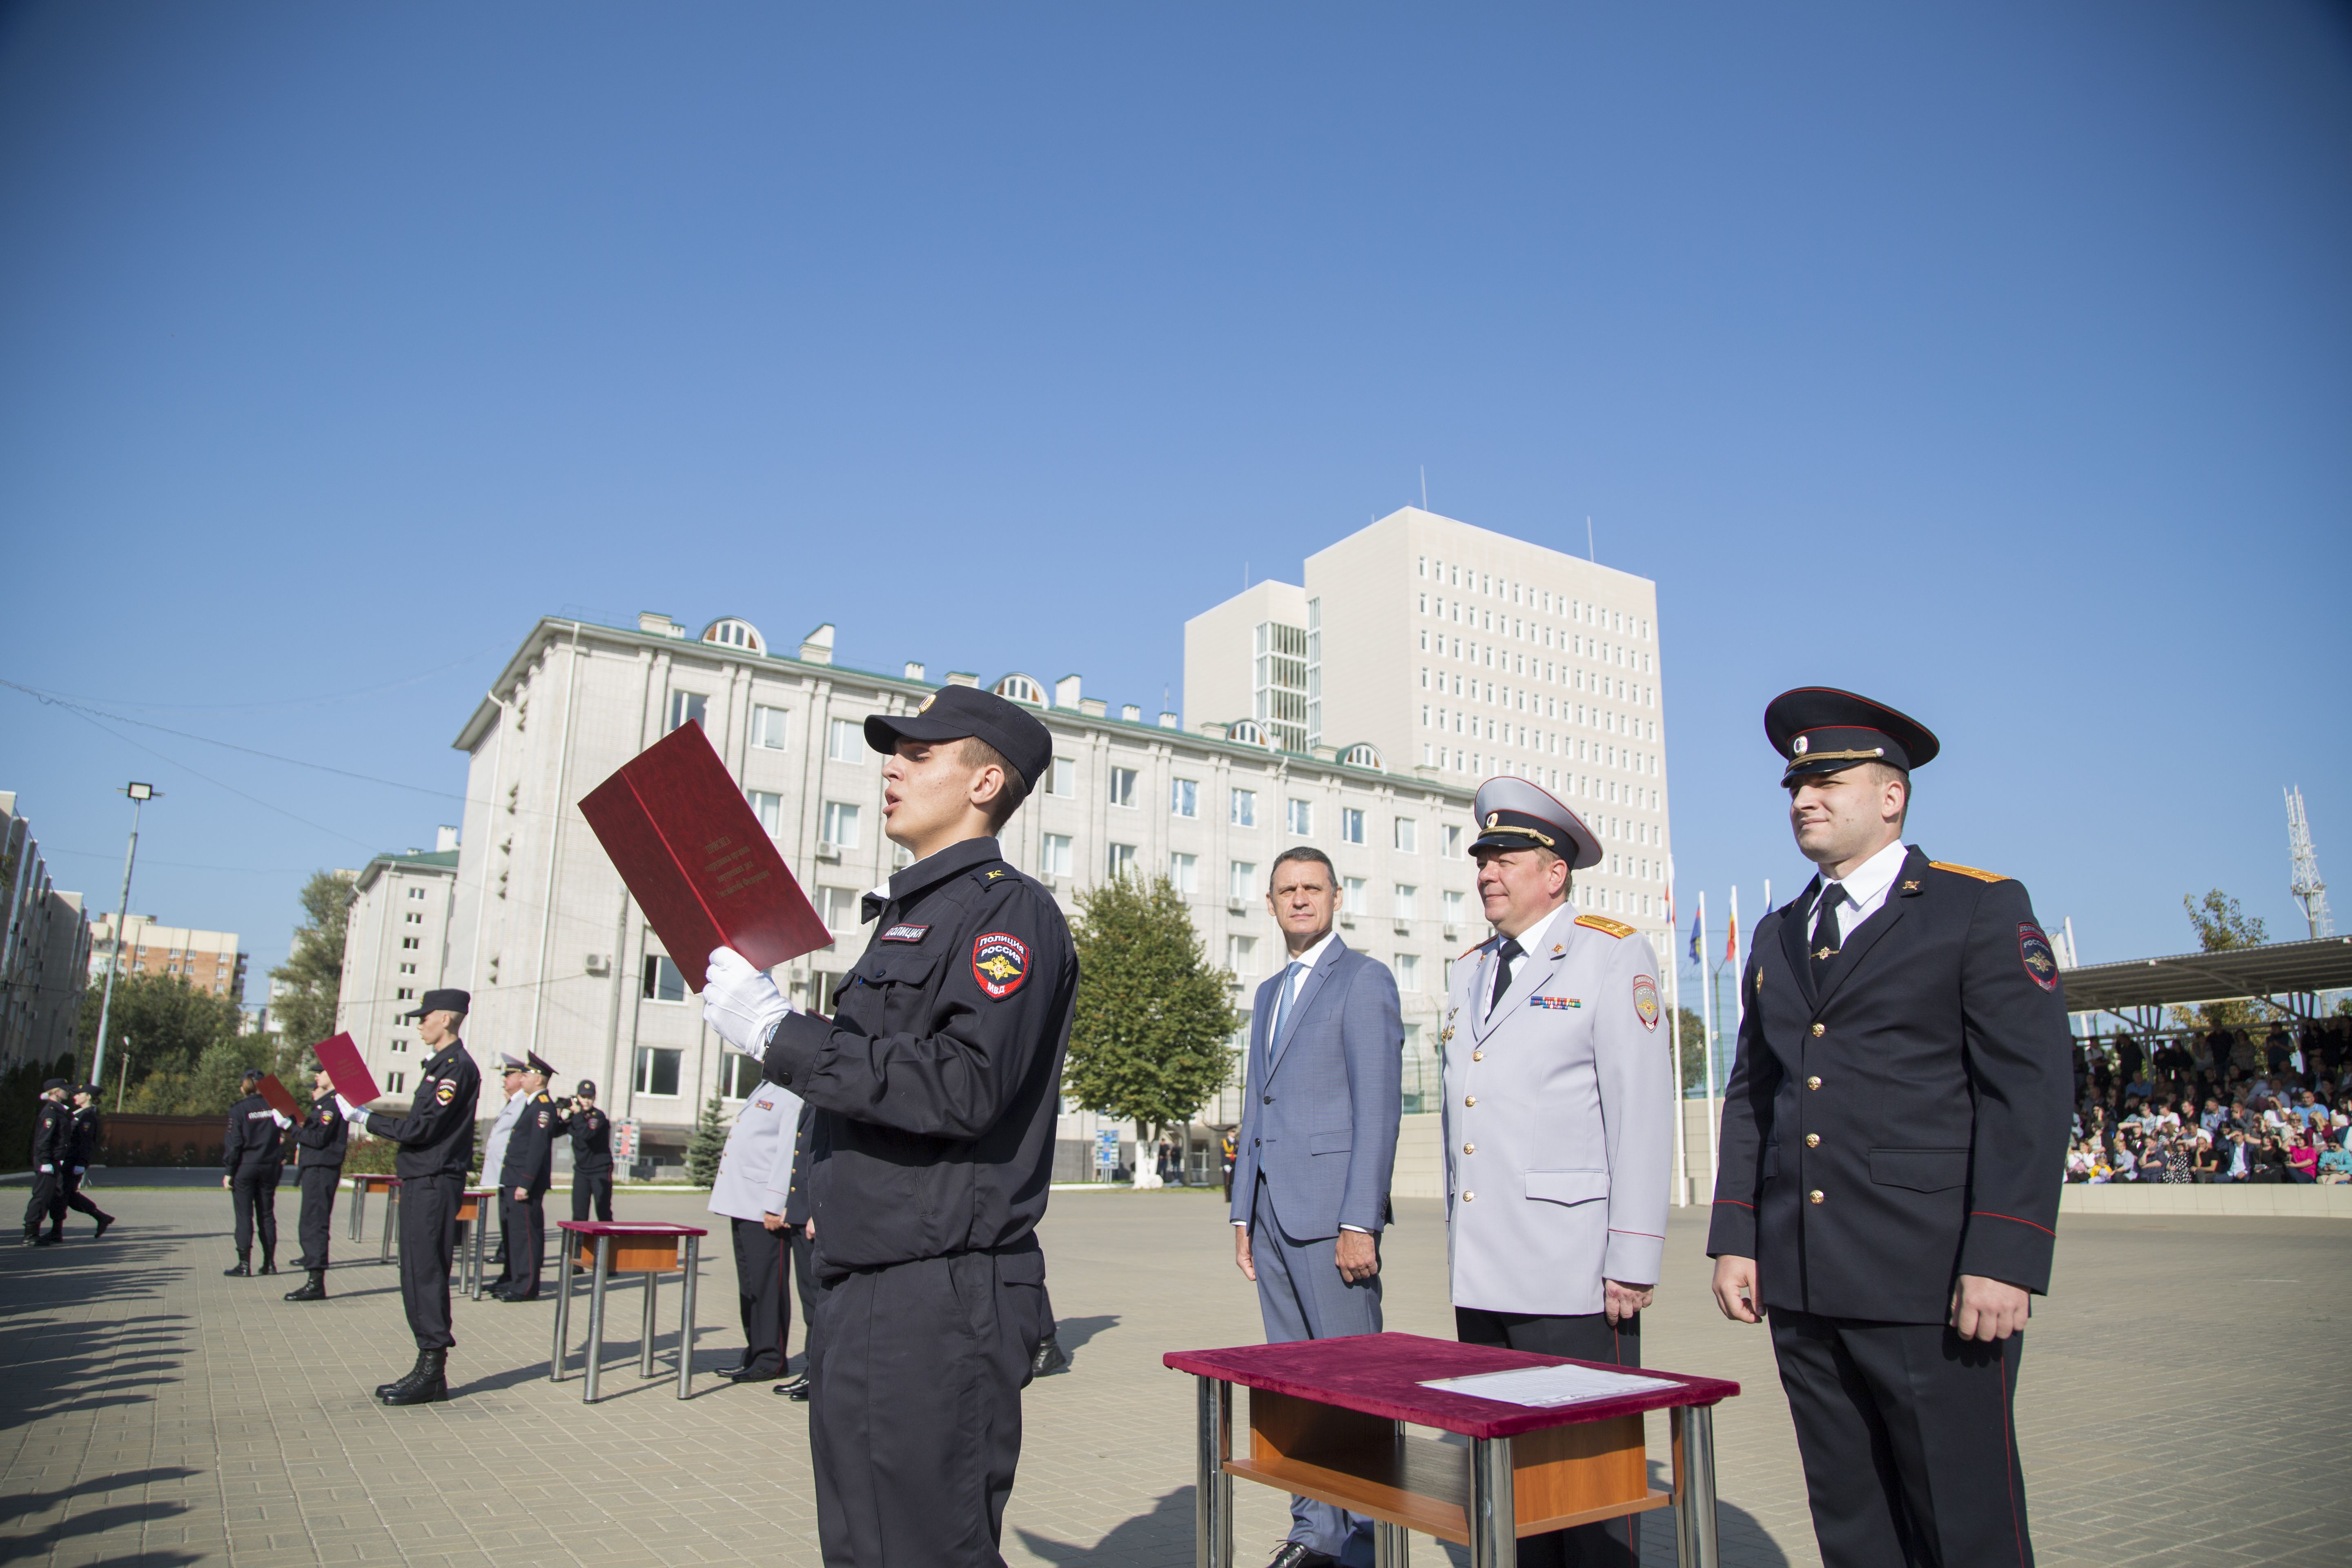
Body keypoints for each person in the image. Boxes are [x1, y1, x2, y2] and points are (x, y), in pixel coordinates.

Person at [702, 682, 1075, 1568]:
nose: (892, 769)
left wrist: (779, 1035)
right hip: (866, 1280)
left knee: (921, 1548)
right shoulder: (909, 916)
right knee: (868, 1542)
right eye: (893, 753)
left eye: (920, 755)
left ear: (985, 784)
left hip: (938, 1293)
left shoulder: (1004, 912)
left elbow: (964, 1086)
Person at [1708, 688, 2071, 1568]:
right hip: (1802, 1280)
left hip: (1932, 1281)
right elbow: (1756, 1093)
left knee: (1964, 1522)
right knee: (1853, 1520)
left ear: (1892, 796)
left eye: (1828, 780)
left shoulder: (1974, 910)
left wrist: (2004, 1255)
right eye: (1795, 784)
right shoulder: (1779, 933)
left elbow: (2030, 1091)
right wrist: (1737, 1237)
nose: (1804, 798)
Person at [1443, 776, 1671, 1568]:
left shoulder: (1611, 955)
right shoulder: (1468, 970)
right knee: (1511, 1495)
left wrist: (1634, 1257)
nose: (1487, 873)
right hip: (1485, 1274)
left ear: (1556, 873)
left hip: (1577, 1277)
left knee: (1589, 1499)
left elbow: (1640, 1113)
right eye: (1482, 858)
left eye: (1506, 857)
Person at [1228, 845, 1403, 1568]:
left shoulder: (1364, 981)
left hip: (1334, 1223)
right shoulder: (1269, 993)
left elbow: (1379, 1108)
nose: (1299, 900)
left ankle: (1363, 1539)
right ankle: (1314, 1536)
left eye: (1312, 888)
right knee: (1293, 1389)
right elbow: (1255, 1103)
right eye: (1286, 891)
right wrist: (1242, 1212)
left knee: (1352, 1385)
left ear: (1335, 898)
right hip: (1271, 1219)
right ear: (1269, 905)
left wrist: (1360, 1220)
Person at [336, 988, 482, 1406]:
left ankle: (433, 1370)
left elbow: (422, 1130)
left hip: (435, 1180)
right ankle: (425, 1363)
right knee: (416, 1272)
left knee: (427, 1272)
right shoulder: (440, 1066)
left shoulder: (456, 1069)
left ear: (447, 1020)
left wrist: (368, 1119)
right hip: (424, 1180)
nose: (419, 1023)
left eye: (426, 1016)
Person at [708, 1079, 802, 1383]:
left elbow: (789, 1150)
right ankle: (755, 1351)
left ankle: (771, 1358)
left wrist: (776, 1203)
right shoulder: (766, 1087)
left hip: (764, 1206)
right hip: (742, 1202)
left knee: (766, 1284)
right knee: (749, 1284)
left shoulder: (790, 1093)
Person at [494, 1053, 559, 1302]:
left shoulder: (543, 1107)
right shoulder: (532, 1104)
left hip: (524, 1181)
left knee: (526, 1237)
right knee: (515, 1235)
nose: (522, 1079)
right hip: (514, 1178)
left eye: (527, 1074)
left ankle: (526, 1287)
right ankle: (516, 1281)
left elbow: (537, 1148)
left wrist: (526, 1182)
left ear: (539, 1079)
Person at [284, 1065, 349, 1301]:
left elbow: (319, 1139)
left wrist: (291, 1129)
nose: (316, 1076)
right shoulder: (325, 1103)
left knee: (315, 1223)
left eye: (320, 1071)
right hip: (316, 1168)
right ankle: (313, 1274)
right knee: (310, 1222)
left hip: (322, 1169)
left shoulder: (332, 1104)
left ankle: (316, 1282)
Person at [221, 1069, 288, 1276]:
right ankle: (269, 1264)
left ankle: (244, 1265)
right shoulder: (275, 1107)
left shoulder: (239, 1110)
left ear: (245, 1087)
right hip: (270, 1166)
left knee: (244, 1216)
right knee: (267, 1215)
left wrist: (229, 1171)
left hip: (246, 1167)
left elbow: (234, 1144)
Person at [477, 1054, 528, 1296]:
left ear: (522, 1077)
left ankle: (517, 1279)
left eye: (509, 1074)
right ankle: (508, 1276)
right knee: (506, 1230)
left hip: (514, 1176)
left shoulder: (525, 1103)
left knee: (517, 1233)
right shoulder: (513, 1102)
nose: (504, 1079)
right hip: (503, 1176)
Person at [56, 1085, 115, 1241]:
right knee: (66, 1194)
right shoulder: (78, 1114)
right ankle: (101, 1217)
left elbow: (86, 1142)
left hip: (74, 1161)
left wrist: (81, 1163)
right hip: (70, 1160)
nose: (75, 1097)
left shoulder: (88, 1116)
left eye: (78, 1094)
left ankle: (57, 1232)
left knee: (63, 1194)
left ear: (88, 1096)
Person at [21, 1079, 71, 1247]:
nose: (68, 1092)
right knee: (41, 1197)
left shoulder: (59, 1111)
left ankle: (38, 1233)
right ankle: (30, 1235)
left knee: (51, 1196)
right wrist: (44, 1161)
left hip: (54, 1161)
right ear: (56, 1092)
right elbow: (44, 1140)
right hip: (47, 1162)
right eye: (65, 1089)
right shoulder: (51, 1112)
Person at [559, 1079, 615, 1222]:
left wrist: (577, 1114)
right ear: (577, 1098)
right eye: (583, 1097)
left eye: (589, 1098)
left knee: (603, 1211)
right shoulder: (575, 1117)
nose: (586, 1101)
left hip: (600, 1170)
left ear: (594, 1098)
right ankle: (580, 1245)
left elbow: (587, 1134)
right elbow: (554, 1132)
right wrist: (558, 1113)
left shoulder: (598, 1116)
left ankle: (607, 1243)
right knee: (579, 1214)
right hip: (581, 1171)